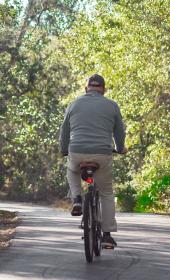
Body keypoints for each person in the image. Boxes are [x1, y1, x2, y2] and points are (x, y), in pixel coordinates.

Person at [59, 74, 127, 249]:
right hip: (102, 154)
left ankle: (77, 200)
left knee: (72, 171)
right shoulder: (112, 105)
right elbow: (119, 132)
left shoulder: (73, 104)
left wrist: (63, 150)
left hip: (77, 152)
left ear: (86, 89)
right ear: (103, 90)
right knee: (106, 193)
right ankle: (107, 234)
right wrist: (120, 148)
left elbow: (64, 131)